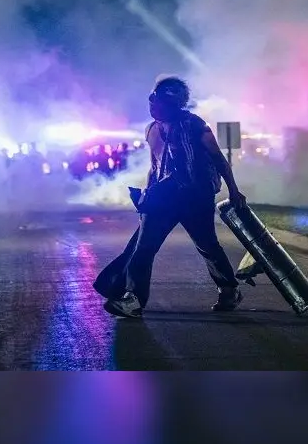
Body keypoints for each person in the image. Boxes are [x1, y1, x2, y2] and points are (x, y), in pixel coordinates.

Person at [93, 76, 247, 317]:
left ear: (173, 103)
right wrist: (147, 196)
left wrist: (234, 190)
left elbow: (218, 159)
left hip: (195, 196)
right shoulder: (151, 129)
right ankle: (133, 299)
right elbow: (154, 166)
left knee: (207, 246)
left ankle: (229, 289)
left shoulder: (196, 126)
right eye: (152, 99)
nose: (152, 104)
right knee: (143, 248)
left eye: (158, 100)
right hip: (162, 197)